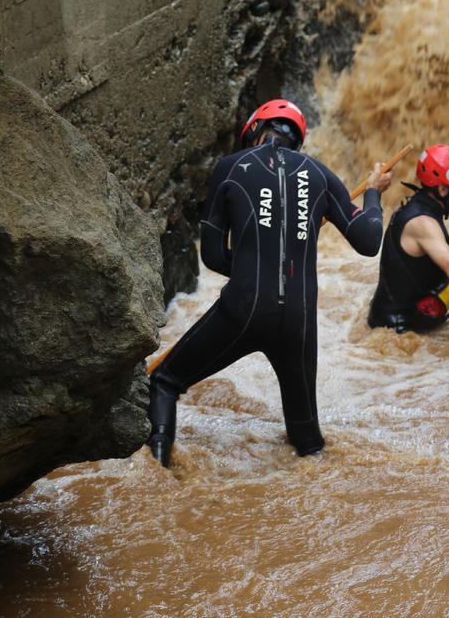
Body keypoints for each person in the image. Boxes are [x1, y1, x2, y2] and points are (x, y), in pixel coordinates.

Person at [146, 99, 391, 467]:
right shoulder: (320, 174)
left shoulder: (230, 168)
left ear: (254, 130)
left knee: (164, 382)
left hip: (243, 308)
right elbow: (369, 241)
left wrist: (252, 270)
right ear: (297, 140)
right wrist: (373, 192)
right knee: (306, 438)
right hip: (299, 319)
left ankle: (157, 480)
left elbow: (212, 256)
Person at [368, 145, 449, 333]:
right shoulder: (423, 223)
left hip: (388, 319)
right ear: (443, 190)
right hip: (398, 329)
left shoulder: (417, 208)